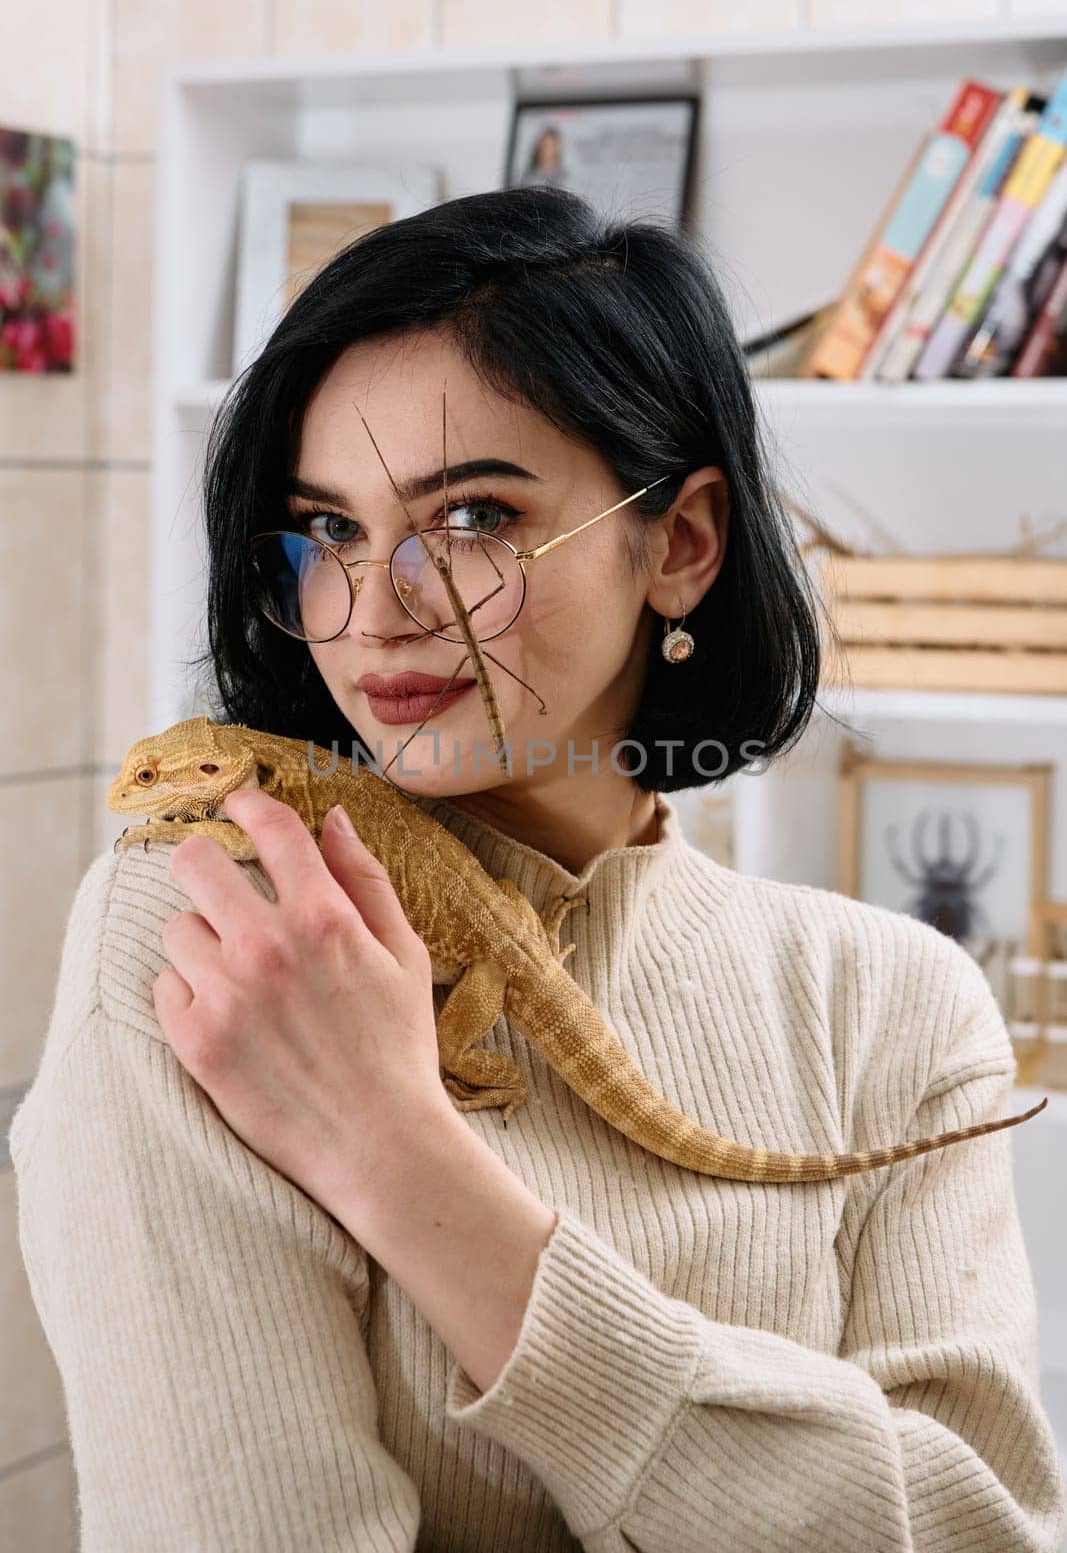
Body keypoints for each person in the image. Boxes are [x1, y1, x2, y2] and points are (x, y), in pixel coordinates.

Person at [10, 184, 1066, 1552]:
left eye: (475, 520)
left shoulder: (900, 1005)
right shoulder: (225, 929)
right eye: (327, 529)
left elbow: (987, 1531)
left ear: (680, 543)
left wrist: (402, 1160)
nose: (376, 610)